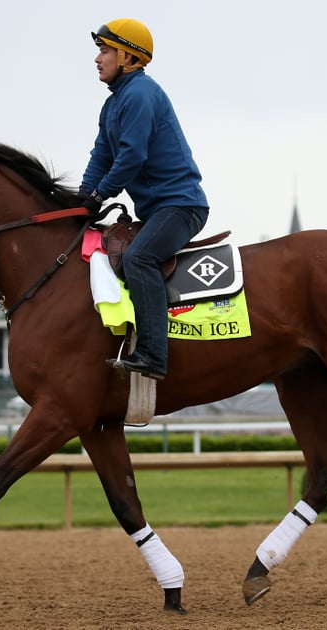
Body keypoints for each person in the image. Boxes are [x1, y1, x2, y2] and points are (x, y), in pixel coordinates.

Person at [79, 18, 210, 381]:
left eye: (104, 50)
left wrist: (101, 193)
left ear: (129, 57)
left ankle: (153, 355)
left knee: (139, 257)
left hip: (182, 207)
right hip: (157, 211)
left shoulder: (140, 94)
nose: (97, 58)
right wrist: (81, 199)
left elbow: (131, 156)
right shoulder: (113, 106)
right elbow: (101, 157)